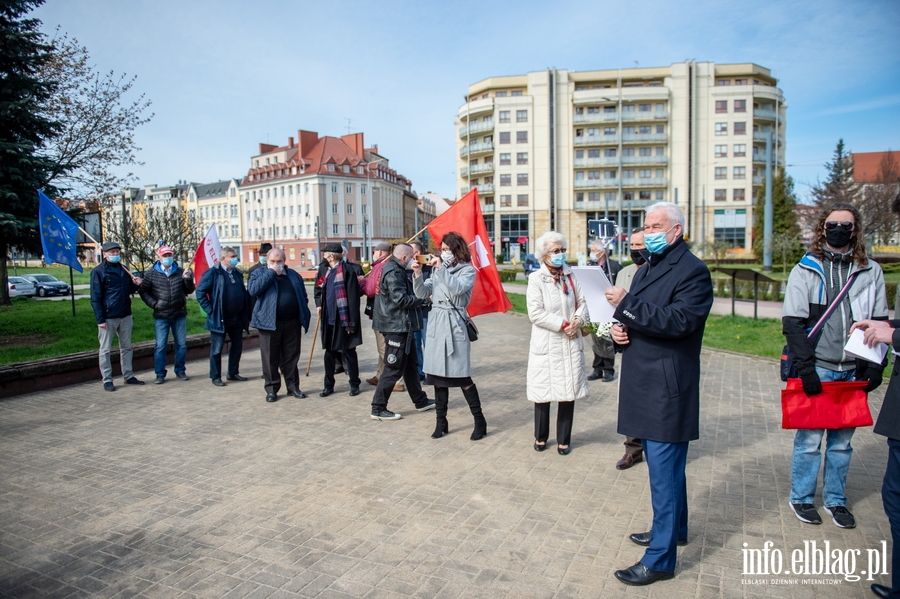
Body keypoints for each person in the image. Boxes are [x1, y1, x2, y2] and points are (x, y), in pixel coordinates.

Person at [606, 202, 713, 586]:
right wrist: (620, 331)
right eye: (646, 224)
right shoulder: (652, 265)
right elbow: (640, 318)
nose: (648, 230)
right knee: (664, 470)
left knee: (664, 476)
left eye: (656, 225)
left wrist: (627, 307)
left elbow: (680, 321)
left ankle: (660, 560)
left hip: (666, 386)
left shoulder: (692, 271)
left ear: (676, 230)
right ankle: (674, 531)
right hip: (644, 380)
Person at [782, 202, 888, 529]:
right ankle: (801, 497)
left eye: (846, 224)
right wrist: (807, 368)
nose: (838, 229)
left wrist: (875, 365)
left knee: (842, 443)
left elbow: (880, 321)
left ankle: (836, 500)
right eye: (832, 224)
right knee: (810, 441)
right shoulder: (805, 269)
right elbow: (793, 324)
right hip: (819, 367)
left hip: (852, 372)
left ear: (855, 230)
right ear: (822, 229)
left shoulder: (871, 271)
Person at [412, 231, 485, 440]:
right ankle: (441, 422)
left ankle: (480, 421)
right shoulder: (438, 271)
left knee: (462, 375)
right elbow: (422, 293)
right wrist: (417, 274)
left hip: (454, 324)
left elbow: (457, 289)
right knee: (437, 377)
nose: (443, 253)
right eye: (441, 250)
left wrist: (439, 269)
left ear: (456, 250)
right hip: (436, 323)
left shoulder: (467, 270)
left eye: (447, 250)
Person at [526, 231, 589, 455]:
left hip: (570, 343)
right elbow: (535, 313)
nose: (560, 254)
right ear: (544, 255)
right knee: (543, 392)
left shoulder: (572, 276)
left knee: (567, 392)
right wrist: (564, 325)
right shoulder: (536, 279)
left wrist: (578, 321)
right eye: (555, 251)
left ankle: (564, 439)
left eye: (562, 250)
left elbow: (583, 301)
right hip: (548, 342)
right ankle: (540, 437)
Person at [370, 243, 434, 420]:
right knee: (393, 368)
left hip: (405, 326)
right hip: (395, 327)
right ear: (404, 258)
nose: (414, 259)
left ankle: (420, 401)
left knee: (411, 366)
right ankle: (378, 407)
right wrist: (424, 300)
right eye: (412, 256)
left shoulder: (397, 269)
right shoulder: (393, 272)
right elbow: (401, 299)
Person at [248, 248, 311, 402]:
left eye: (279, 262)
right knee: (270, 358)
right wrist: (270, 273)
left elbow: (303, 295)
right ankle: (272, 389)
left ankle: (293, 387)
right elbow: (253, 290)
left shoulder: (293, 275)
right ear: (267, 261)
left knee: (291, 356)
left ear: (284, 261)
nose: (276, 264)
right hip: (269, 323)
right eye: (273, 262)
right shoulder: (259, 274)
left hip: (291, 322)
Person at [90, 241, 144, 391]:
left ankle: (128, 375)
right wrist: (100, 319)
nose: (115, 255)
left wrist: (136, 284)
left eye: (117, 252)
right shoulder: (98, 272)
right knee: (105, 350)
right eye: (112, 252)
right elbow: (95, 297)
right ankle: (107, 379)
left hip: (125, 314)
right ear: (105, 254)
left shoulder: (124, 269)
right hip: (108, 317)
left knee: (126, 347)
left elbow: (128, 290)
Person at [614, 229, 647, 470]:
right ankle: (632, 449)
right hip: (628, 342)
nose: (635, 250)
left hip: (651, 341)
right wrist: (615, 330)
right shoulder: (624, 273)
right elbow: (614, 309)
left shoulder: (659, 273)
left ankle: (655, 446)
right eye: (632, 245)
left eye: (640, 245)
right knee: (631, 400)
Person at [195, 246, 251, 387]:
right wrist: (210, 310)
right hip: (220, 318)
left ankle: (232, 373)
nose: (235, 259)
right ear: (223, 258)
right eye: (232, 256)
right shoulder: (214, 273)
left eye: (235, 256)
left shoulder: (237, 273)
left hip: (236, 317)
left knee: (237, 346)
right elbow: (200, 292)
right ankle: (215, 376)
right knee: (217, 349)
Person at [139, 245, 195, 384]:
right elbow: (143, 291)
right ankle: (160, 374)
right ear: (159, 257)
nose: (167, 258)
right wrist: (154, 304)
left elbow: (189, 290)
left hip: (179, 314)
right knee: (160, 346)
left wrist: (187, 279)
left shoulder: (181, 271)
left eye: (169, 255)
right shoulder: (151, 273)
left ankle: (180, 370)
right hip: (161, 315)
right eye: (164, 256)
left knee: (181, 344)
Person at [314, 243, 364, 397]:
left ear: (331, 256)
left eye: (325, 253)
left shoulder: (348, 271)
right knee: (329, 353)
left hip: (343, 318)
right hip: (328, 318)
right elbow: (318, 288)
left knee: (349, 352)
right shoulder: (325, 270)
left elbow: (354, 299)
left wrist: (351, 322)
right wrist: (318, 305)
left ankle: (354, 383)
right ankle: (328, 385)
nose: (323, 255)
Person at [587, 241, 622, 382]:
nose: (592, 252)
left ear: (602, 252)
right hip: (593, 308)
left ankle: (608, 370)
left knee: (607, 340)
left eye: (594, 250)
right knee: (596, 340)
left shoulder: (614, 267)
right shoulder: (590, 267)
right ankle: (597, 368)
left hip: (608, 309)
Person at [360, 242, 393, 387]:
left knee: (384, 348)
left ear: (380, 252)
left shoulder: (380, 266)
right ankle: (380, 375)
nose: (373, 253)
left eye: (375, 251)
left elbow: (371, 290)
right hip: (385, 312)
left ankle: (396, 380)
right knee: (384, 346)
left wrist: (361, 283)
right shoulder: (387, 264)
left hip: (381, 313)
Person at [409, 239, 432, 382]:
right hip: (413, 313)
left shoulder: (430, 268)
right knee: (415, 345)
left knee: (428, 344)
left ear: (417, 253)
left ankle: (431, 372)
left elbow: (430, 292)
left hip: (426, 313)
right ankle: (420, 372)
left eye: (410, 251)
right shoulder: (408, 268)